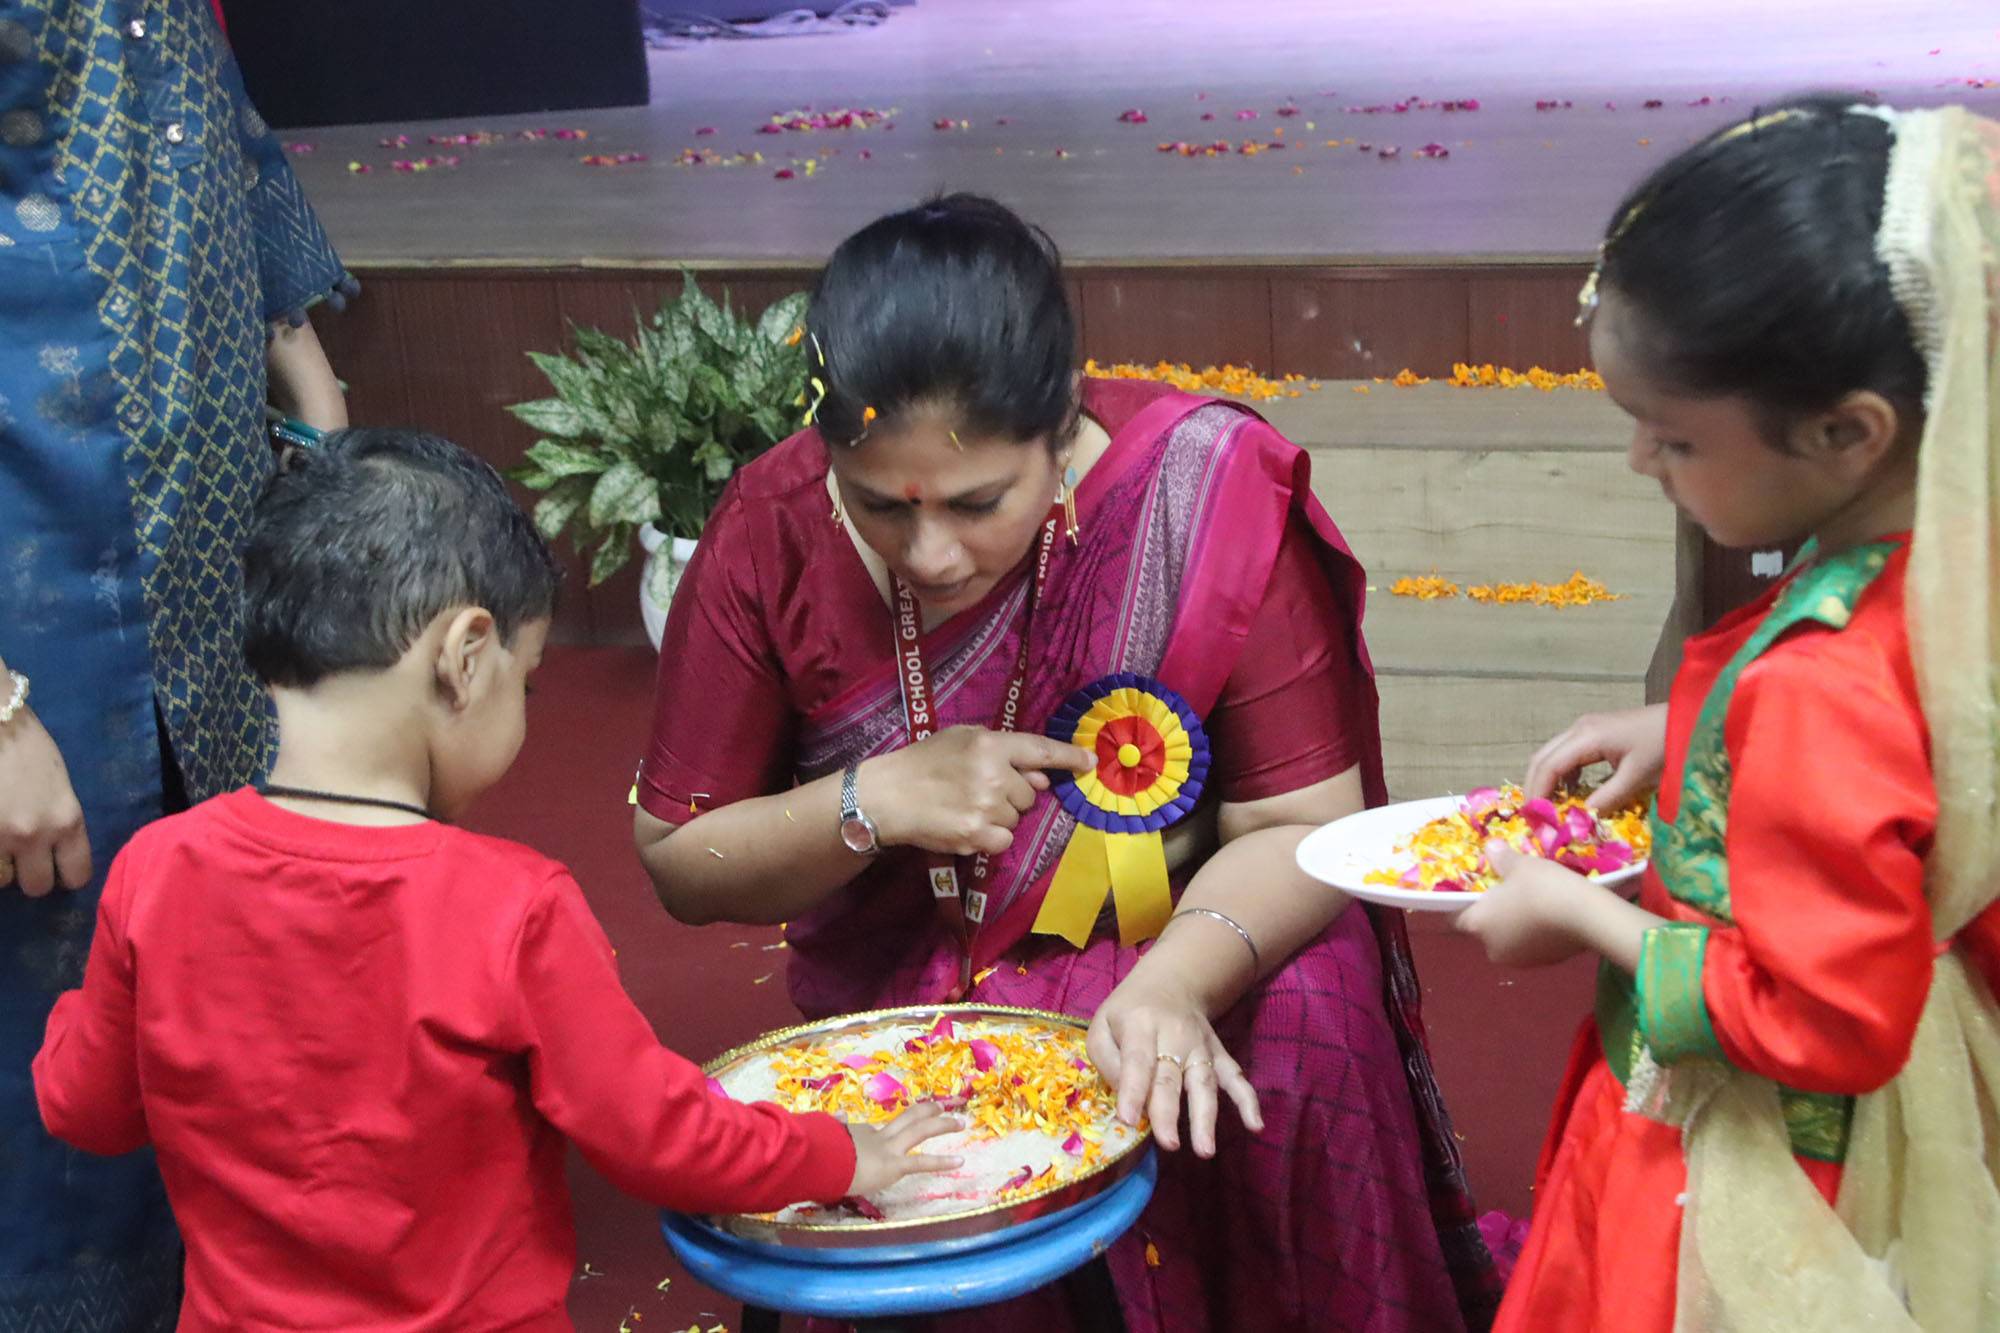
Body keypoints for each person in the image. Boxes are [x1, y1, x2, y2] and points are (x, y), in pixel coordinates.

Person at [634, 193, 1499, 1331]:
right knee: (963, 1109)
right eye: (879, 504)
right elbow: (679, 858)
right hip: (922, 956)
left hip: (1193, 919)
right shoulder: (775, 526)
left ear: (1060, 426)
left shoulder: (1198, 488)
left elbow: (1300, 820)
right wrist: (867, 801)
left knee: (1306, 1023)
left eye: (977, 502)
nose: (931, 553)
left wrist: (1177, 980)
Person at [30, 429, 959, 1331]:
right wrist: (838, 1152)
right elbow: (657, 1134)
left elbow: (83, 1105)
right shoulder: (510, 907)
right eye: (528, 681)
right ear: (466, 656)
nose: (523, 708)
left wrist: (95, 1005)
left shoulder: (154, 872)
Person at [1456, 97, 2000, 1329]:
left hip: (1790, 1147)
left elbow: (1823, 1016)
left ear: (1844, 430)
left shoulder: (1819, 685)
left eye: (1671, 440)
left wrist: (1581, 915)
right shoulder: (1949, 558)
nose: (1640, 465)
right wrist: (1696, 735)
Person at [0, 1, 352, 1324]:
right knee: (54, 1019)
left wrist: (305, 372)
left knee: (214, 966)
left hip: (202, 531)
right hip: (32, 566)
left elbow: (191, 92)